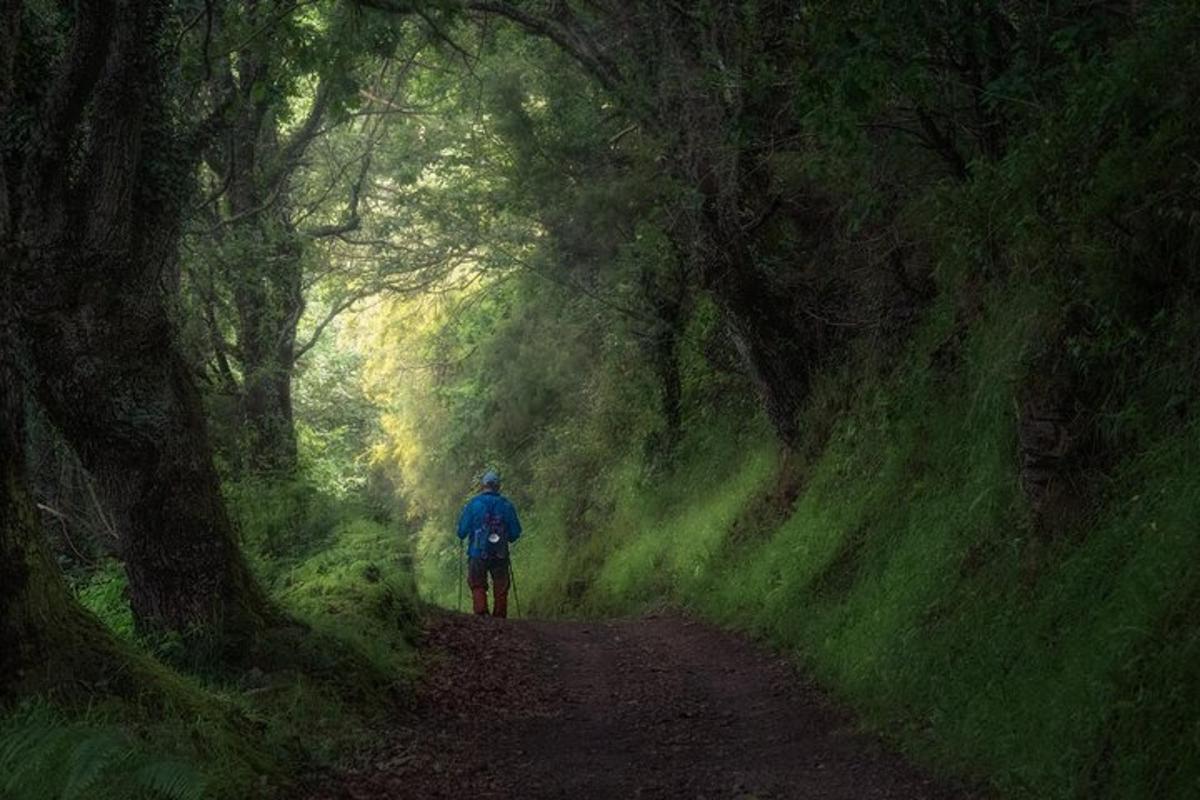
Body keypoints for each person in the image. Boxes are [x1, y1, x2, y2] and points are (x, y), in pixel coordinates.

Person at [456, 470, 522, 617]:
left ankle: (481, 613)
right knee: (501, 584)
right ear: (498, 486)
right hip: (500, 553)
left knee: (477, 582)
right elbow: (515, 532)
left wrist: (463, 533)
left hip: (477, 552)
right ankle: (499, 616)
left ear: (483, 486)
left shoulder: (473, 504)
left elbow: (461, 531)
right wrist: (507, 538)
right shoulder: (506, 505)